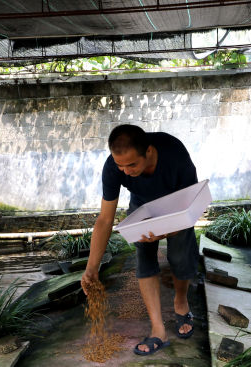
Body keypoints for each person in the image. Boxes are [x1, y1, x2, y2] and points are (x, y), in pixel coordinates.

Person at [81, 124, 200, 356]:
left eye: (132, 165)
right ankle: (158, 329)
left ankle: (181, 302)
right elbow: (105, 220)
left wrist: (167, 231)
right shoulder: (113, 168)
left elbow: (191, 207)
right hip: (143, 205)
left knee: (179, 255)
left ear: (149, 151)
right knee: (144, 257)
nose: (125, 171)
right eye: (120, 165)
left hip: (178, 203)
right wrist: (91, 269)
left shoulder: (176, 156)